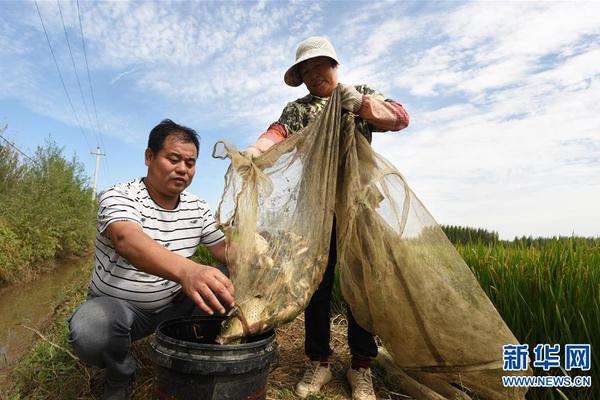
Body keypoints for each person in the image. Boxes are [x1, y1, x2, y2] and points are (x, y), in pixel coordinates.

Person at [244, 37, 409, 400]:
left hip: (359, 208)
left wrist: (363, 106)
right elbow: (277, 134)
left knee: (361, 287)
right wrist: (255, 151)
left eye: (320, 65)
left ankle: (361, 367)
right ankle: (318, 360)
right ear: (300, 76)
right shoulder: (299, 110)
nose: (314, 74)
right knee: (315, 285)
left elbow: (400, 117)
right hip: (315, 212)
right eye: (306, 69)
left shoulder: (360, 94)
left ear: (335, 66)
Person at [68, 119, 235, 400]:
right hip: (122, 310)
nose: (183, 169)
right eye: (174, 159)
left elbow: (224, 250)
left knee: (231, 277)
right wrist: (188, 270)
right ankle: (121, 373)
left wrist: (264, 255)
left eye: (190, 163)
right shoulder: (119, 196)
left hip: (176, 304)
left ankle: (189, 352)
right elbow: (127, 240)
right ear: (149, 157)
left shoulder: (198, 207)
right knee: (91, 329)